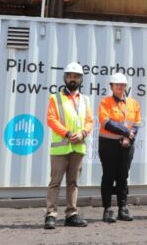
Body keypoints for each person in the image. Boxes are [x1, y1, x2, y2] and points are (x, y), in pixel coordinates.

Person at [44, 61, 94, 230]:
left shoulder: (86, 100)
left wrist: (83, 134)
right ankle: (50, 215)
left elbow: (89, 121)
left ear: (81, 79)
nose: (73, 79)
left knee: (73, 183)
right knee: (55, 183)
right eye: (70, 76)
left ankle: (71, 215)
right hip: (61, 147)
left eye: (76, 77)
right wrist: (67, 133)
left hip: (78, 147)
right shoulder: (55, 98)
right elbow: (51, 119)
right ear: (65, 78)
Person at [97, 70, 142, 223]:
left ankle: (123, 208)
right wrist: (126, 132)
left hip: (127, 144)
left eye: (122, 85)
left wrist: (129, 136)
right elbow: (106, 122)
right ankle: (108, 209)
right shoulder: (105, 102)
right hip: (108, 144)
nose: (120, 87)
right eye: (117, 85)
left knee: (123, 176)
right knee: (109, 175)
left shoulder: (133, 103)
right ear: (111, 86)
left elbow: (137, 123)